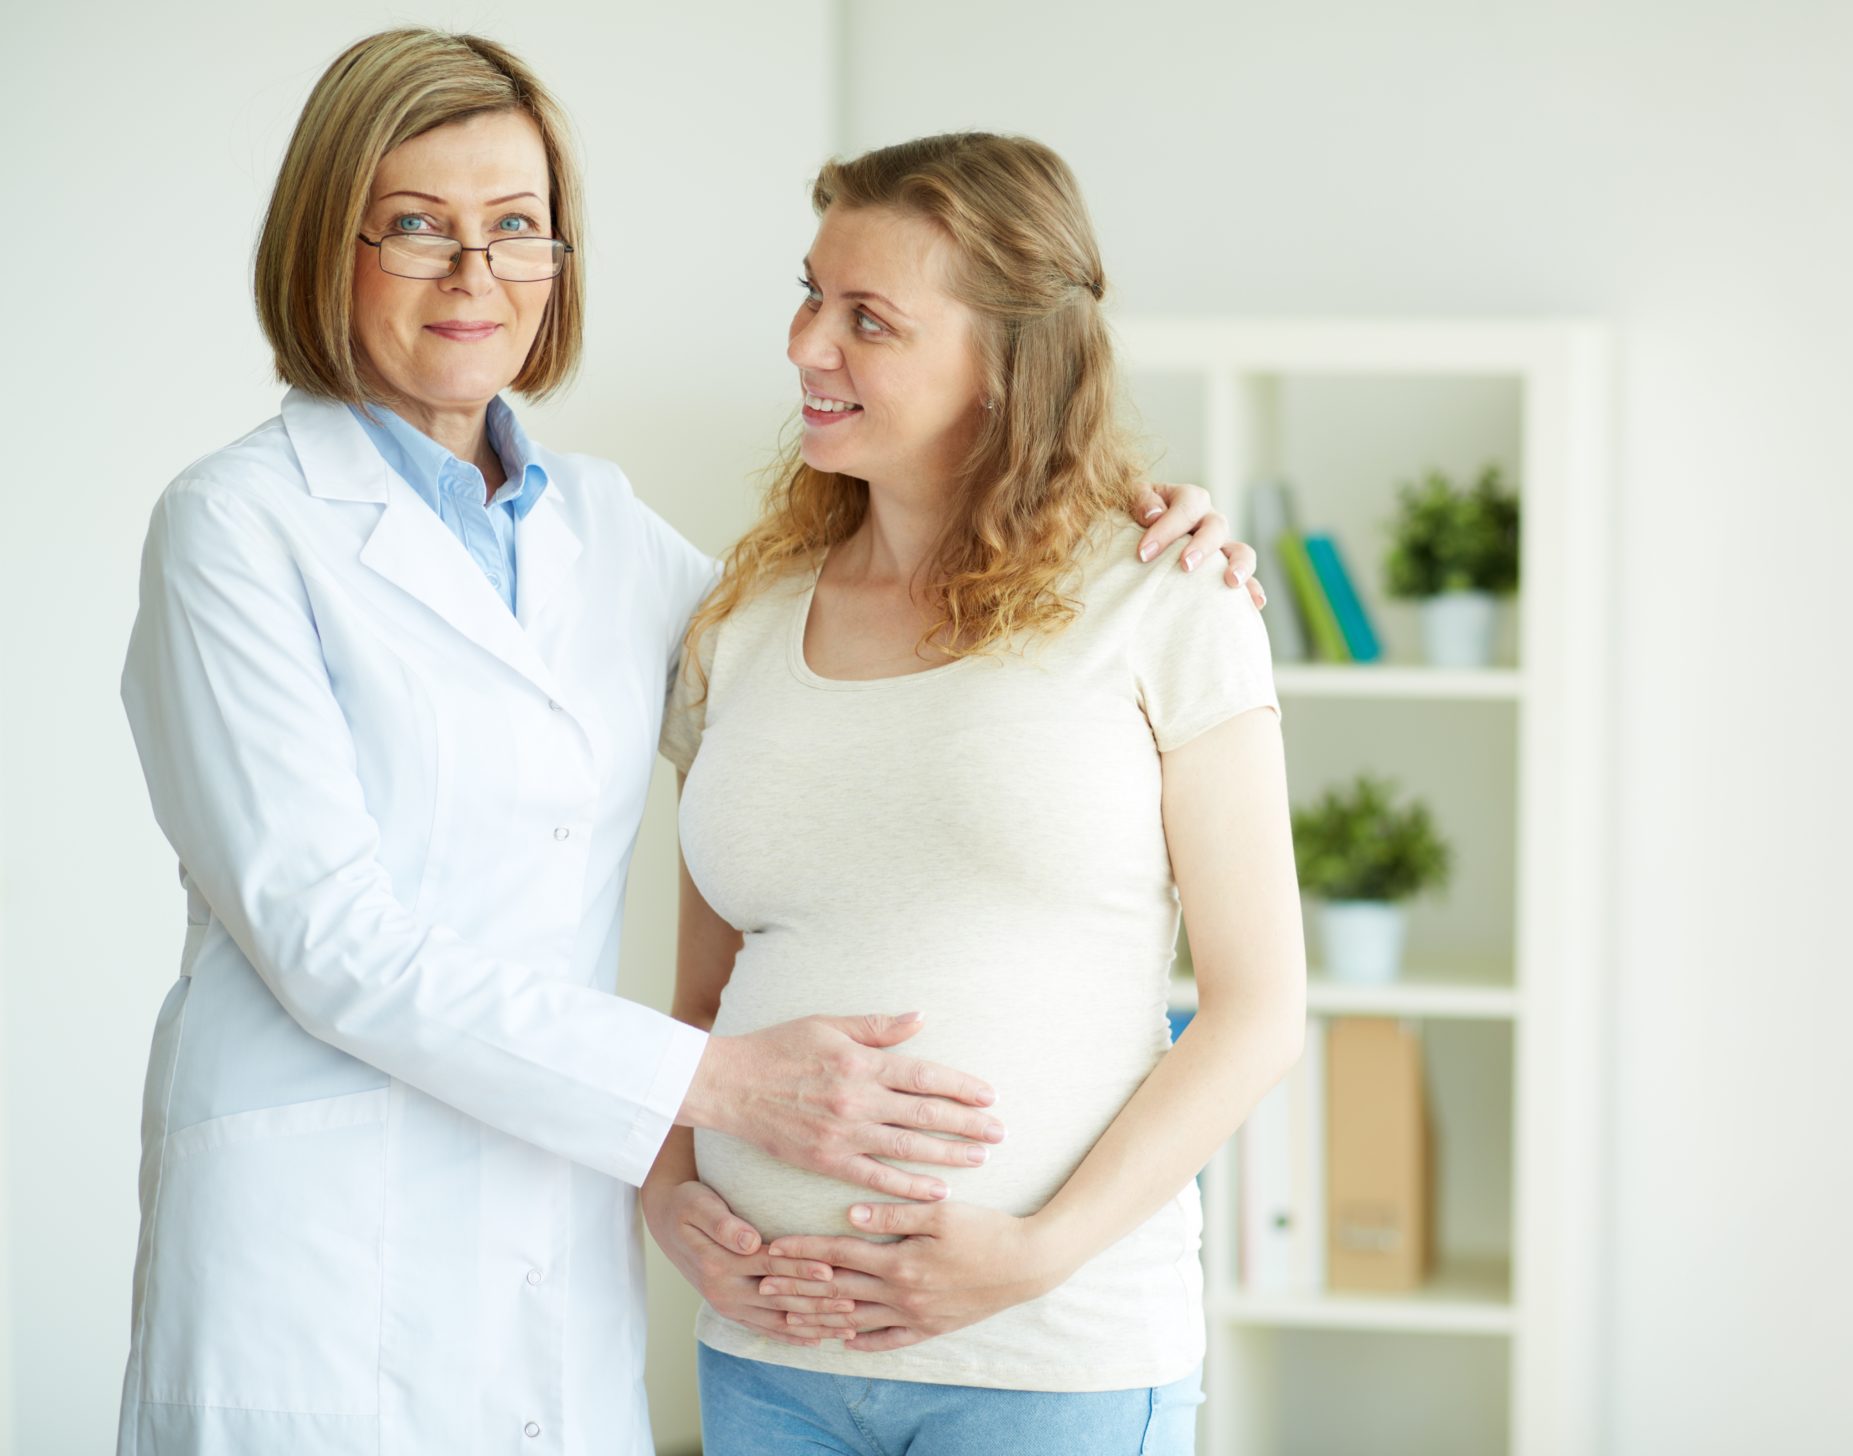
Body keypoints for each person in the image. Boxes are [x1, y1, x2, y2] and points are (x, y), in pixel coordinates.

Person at [115, 31, 1251, 1456]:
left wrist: (1125, 519)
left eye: (517, 228)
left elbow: (866, 670)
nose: (476, 275)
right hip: (320, 1251)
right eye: (415, 226)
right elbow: (330, 943)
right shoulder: (236, 527)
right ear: (321, 246)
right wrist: (718, 1090)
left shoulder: (605, 535)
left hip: (563, 1252)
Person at [645, 133, 1308, 1456]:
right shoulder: (742, 623)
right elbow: (702, 1007)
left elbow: (1257, 1012)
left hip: (1051, 1360)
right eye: (811, 293)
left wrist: (1034, 1252)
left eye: (868, 319)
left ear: (1008, 362)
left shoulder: (1166, 598)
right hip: (768, 1356)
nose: (805, 345)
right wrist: (668, 1199)